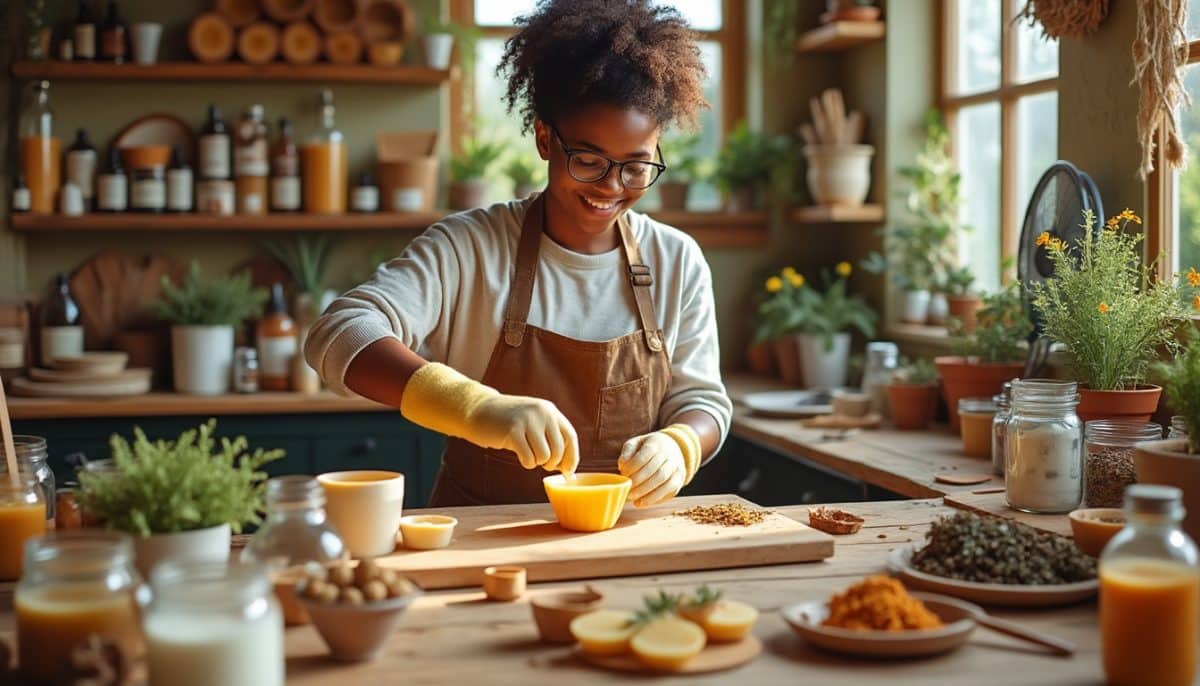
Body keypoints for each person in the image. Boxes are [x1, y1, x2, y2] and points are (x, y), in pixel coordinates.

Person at [304, 0, 731, 508]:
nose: (611, 186)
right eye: (589, 159)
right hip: (482, 542)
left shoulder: (676, 260)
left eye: (636, 167)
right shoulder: (470, 248)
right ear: (546, 139)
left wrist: (681, 443)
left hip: (626, 545)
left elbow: (702, 401)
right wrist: (474, 407)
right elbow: (338, 335)